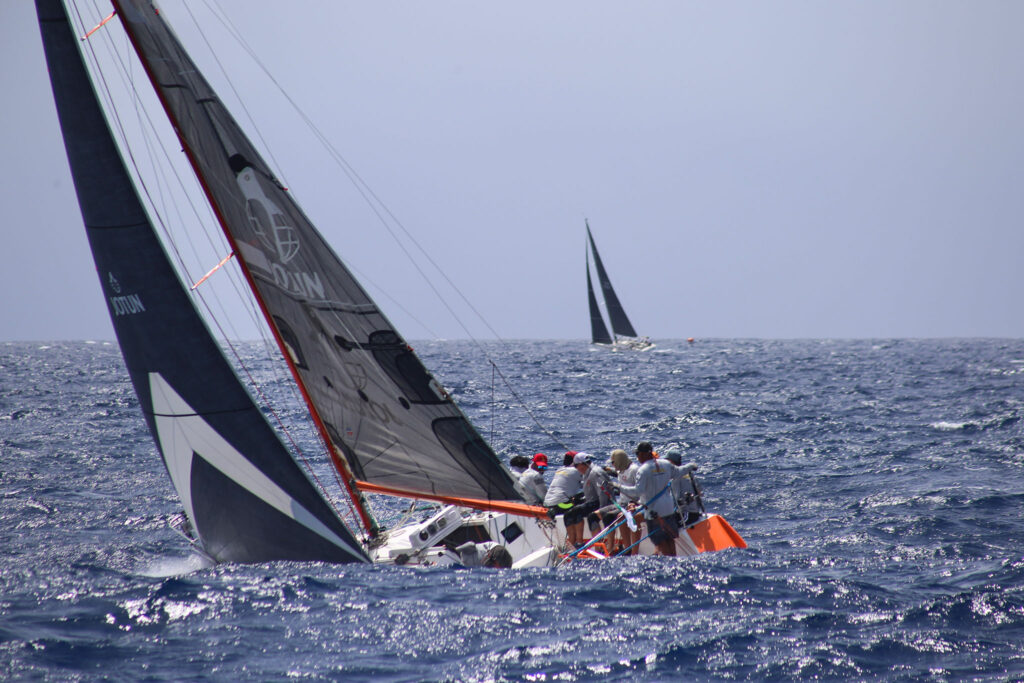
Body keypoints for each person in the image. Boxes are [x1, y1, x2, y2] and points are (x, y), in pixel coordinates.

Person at [617, 441, 697, 556]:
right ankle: (674, 563)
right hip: (668, 509)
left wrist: (619, 487)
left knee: (661, 541)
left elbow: (637, 491)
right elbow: (680, 471)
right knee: (669, 539)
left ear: (643, 454)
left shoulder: (643, 470)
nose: (637, 457)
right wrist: (691, 466)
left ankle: (667, 566)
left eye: (637, 454)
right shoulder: (666, 464)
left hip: (654, 511)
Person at [543, 452, 593, 548]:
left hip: (548, 504)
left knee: (576, 501)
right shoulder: (575, 471)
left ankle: (572, 542)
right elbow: (591, 477)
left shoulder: (559, 470)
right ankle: (579, 542)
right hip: (561, 505)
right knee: (579, 509)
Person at [610, 448, 642, 555]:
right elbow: (621, 477)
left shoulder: (634, 470)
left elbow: (639, 489)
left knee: (628, 518)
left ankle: (633, 550)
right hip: (623, 503)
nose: (612, 464)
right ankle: (627, 549)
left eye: (613, 462)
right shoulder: (621, 469)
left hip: (634, 503)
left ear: (619, 461)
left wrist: (634, 503)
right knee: (618, 517)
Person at [665, 446, 702, 527]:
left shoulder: (676, 476)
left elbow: (675, 499)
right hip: (696, 512)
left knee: (666, 527)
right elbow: (700, 492)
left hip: (687, 514)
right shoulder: (689, 473)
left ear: (671, 462)